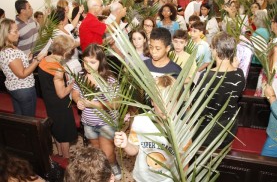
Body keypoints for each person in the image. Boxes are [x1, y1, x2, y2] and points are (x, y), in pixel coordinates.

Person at [114, 75, 185, 181]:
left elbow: (184, 162)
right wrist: (126, 144)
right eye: (160, 101)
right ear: (152, 101)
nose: (165, 107)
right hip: (142, 178)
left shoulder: (182, 129)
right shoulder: (140, 121)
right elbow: (134, 150)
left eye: (170, 101)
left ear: (177, 102)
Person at [72, 44, 121, 180]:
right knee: (97, 150)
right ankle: (101, 171)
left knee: (108, 152)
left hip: (106, 122)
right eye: (85, 61)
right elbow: (74, 91)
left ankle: (113, 165)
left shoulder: (109, 79)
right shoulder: (80, 76)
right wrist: (78, 100)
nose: (88, 65)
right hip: (88, 122)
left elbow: (116, 104)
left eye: (92, 62)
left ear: (101, 62)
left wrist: (95, 104)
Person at [193, 32, 245, 148]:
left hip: (207, 129)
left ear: (216, 50)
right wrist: (235, 67)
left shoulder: (207, 76)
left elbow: (195, 104)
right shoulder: (240, 74)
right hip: (229, 126)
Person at [38, 35, 77, 158]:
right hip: (60, 104)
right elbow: (61, 93)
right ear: (65, 51)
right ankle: (65, 159)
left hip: (49, 100)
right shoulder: (57, 69)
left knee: (56, 128)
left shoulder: (45, 60)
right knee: (64, 133)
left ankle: (59, 153)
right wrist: (72, 84)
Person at [0, 18, 46, 116]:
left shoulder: (7, 49)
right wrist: (38, 60)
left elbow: (15, 67)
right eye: (15, 31)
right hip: (24, 88)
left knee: (20, 116)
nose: (18, 34)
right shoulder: (10, 52)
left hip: (15, 87)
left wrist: (28, 59)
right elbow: (22, 74)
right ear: (6, 34)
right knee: (29, 120)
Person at [51, 9, 81, 74]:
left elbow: (73, 24)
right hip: (68, 65)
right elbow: (71, 45)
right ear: (61, 22)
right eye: (66, 16)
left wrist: (79, 12)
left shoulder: (65, 27)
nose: (67, 17)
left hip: (74, 60)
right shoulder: (57, 33)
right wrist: (83, 39)